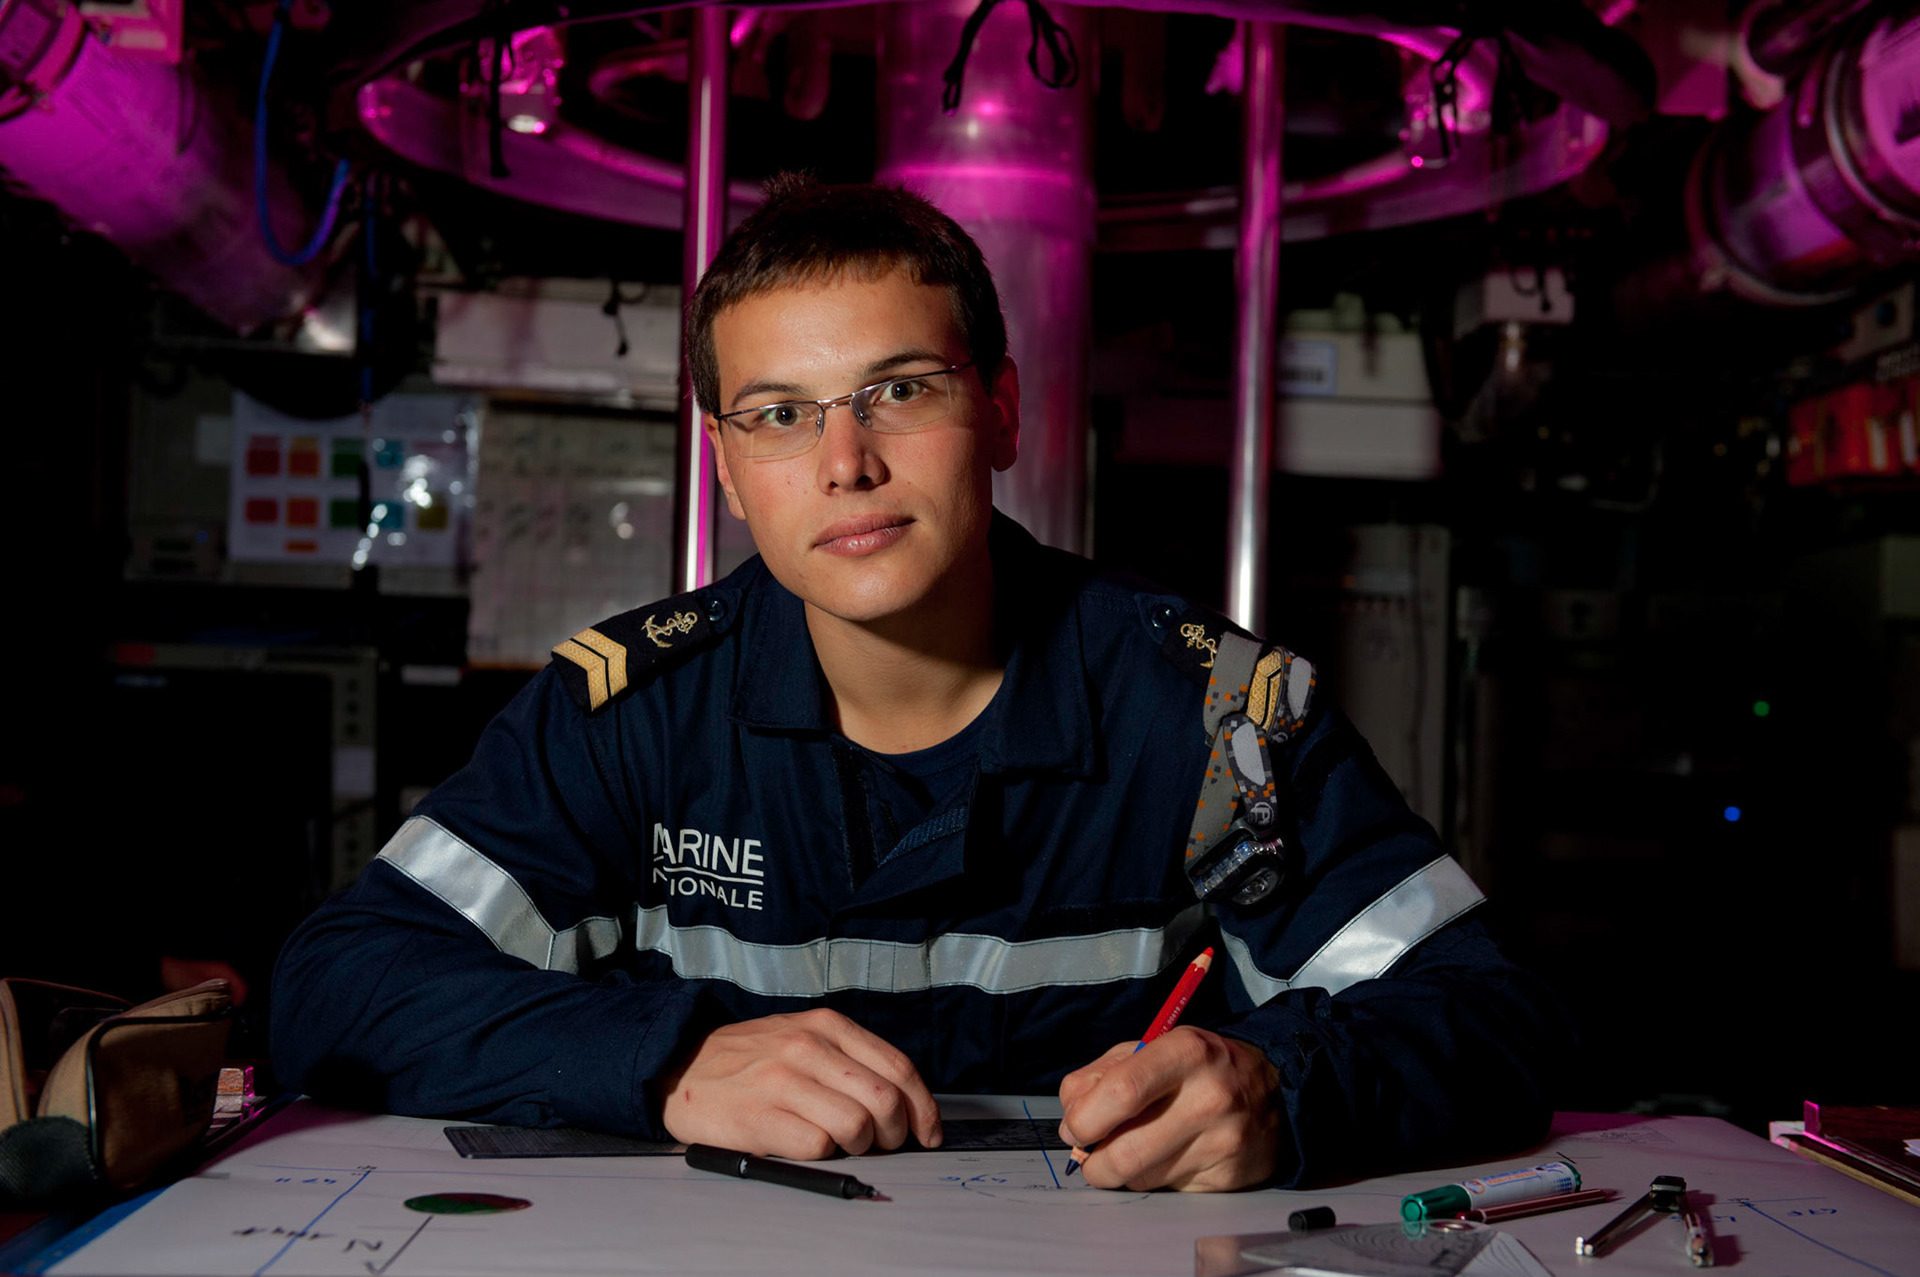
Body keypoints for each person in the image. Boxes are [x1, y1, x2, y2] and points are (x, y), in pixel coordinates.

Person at [272, 175, 1570, 1192]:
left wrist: (1285, 1090)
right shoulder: (631, 718)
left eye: (898, 389)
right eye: (781, 413)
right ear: (727, 468)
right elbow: (337, 985)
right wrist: (666, 1060)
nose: (846, 461)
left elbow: (1490, 1014)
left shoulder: (1212, 717)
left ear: (1002, 410)